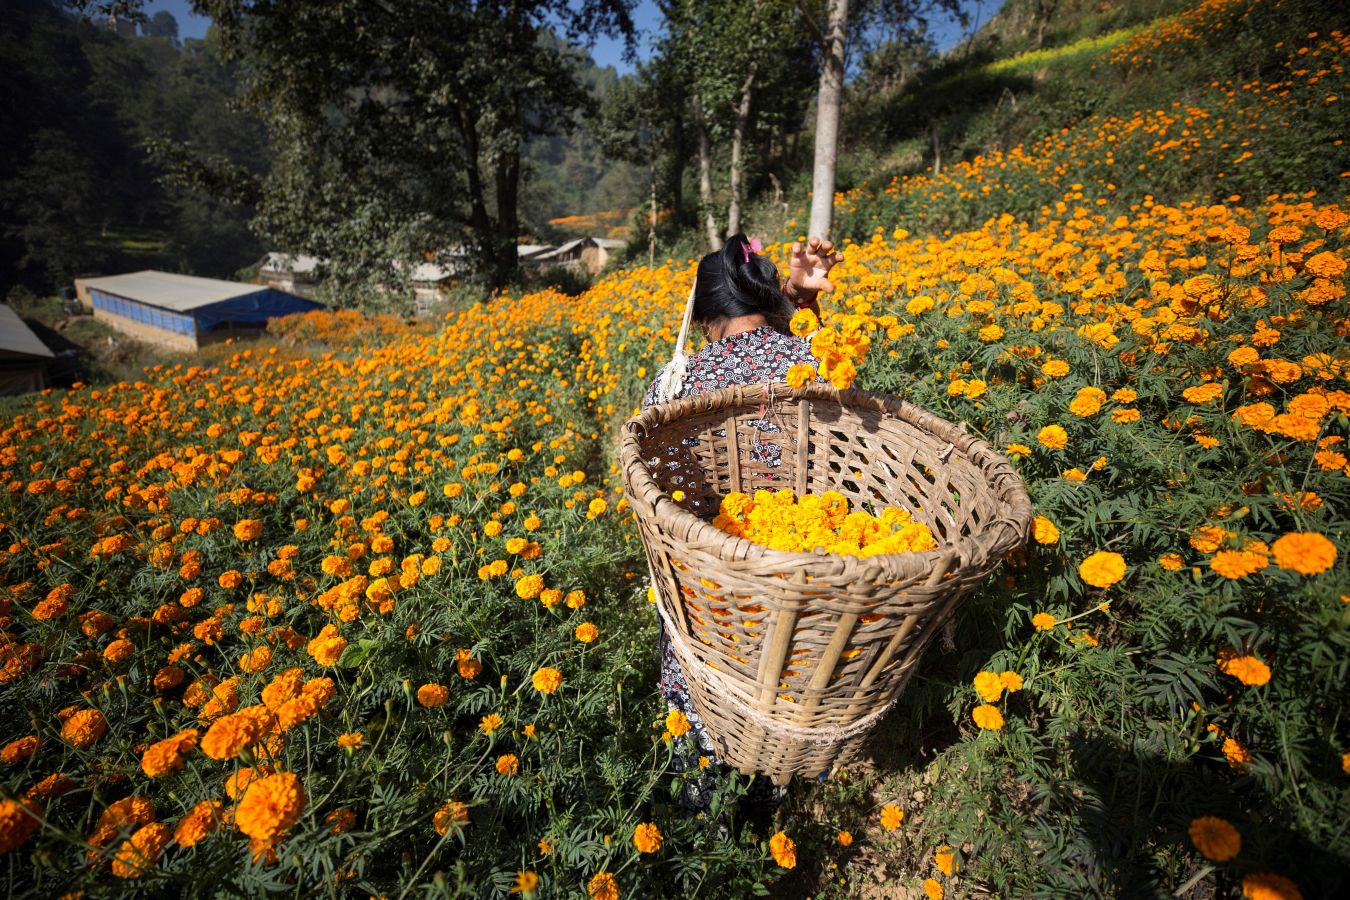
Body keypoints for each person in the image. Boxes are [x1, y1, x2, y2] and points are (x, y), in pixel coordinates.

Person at [640, 233, 844, 813]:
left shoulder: (674, 383)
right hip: (797, 571)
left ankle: (705, 812)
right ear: (770, 297)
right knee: (780, 690)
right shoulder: (806, 360)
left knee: (707, 691)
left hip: (708, 581)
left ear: (706, 318)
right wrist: (804, 306)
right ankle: (777, 800)